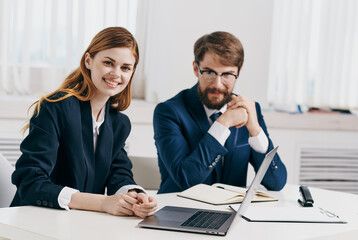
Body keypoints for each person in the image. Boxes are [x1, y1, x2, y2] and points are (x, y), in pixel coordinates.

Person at [11, 27, 157, 218]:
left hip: (80, 222)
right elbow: (30, 182)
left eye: (125, 68)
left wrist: (135, 197)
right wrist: (103, 203)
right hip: (35, 219)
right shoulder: (56, 107)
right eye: (108, 63)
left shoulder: (119, 123)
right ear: (88, 60)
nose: (116, 73)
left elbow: (119, 174)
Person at [153, 31, 287, 194]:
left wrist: (255, 131)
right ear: (196, 68)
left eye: (227, 75)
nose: (217, 84)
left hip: (231, 214)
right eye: (209, 72)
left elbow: (276, 182)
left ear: (238, 73)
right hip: (180, 212)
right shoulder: (169, 112)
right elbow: (186, 179)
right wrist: (223, 124)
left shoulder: (250, 110)